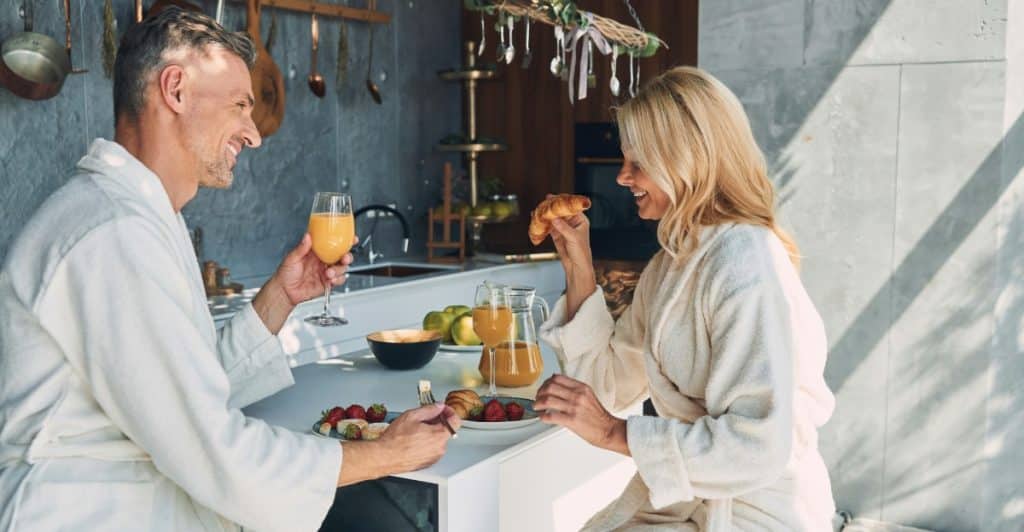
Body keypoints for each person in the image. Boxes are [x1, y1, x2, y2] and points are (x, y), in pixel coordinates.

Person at [0, 9, 458, 531]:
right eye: (241, 105)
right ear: (175, 89)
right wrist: (386, 455)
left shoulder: (138, 216)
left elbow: (184, 394)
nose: (254, 133)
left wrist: (278, 299)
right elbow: (210, 447)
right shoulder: (112, 232)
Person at [534, 66, 836, 531]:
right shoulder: (673, 263)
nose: (621, 177)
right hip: (693, 499)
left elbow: (758, 447)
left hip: (760, 512)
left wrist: (614, 433)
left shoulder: (745, 262)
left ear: (686, 161)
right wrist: (578, 261)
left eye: (638, 163)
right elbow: (608, 385)